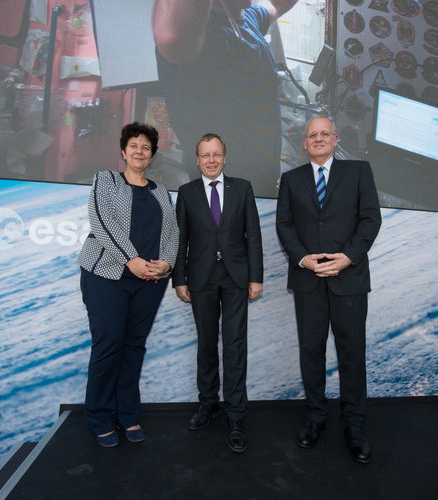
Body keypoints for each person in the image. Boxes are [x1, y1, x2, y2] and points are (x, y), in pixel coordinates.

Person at [275, 116, 381, 463]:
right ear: (304, 143)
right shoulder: (291, 180)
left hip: (348, 280)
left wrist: (347, 258)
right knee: (311, 352)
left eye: (324, 134)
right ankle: (316, 418)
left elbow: (370, 220)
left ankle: (354, 425)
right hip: (308, 281)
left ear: (335, 139)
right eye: (312, 136)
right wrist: (303, 259)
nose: (318, 139)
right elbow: (285, 225)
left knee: (353, 355)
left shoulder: (359, 172)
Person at [78, 122, 179, 448]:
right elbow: (102, 220)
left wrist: (167, 262)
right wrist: (131, 260)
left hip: (149, 282)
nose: (139, 151)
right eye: (134, 145)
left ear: (151, 156)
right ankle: (99, 417)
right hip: (107, 277)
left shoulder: (160, 191)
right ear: (123, 152)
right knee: (108, 347)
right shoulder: (106, 180)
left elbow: (173, 232)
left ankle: (127, 414)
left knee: (134, 347)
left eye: (146, 147)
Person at [173, 133, 263, 453]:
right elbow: (180, 240)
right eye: (205, 155)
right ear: (197, 159)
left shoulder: (243, 188)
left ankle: (236, 415)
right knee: (207, 345)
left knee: (235, 346)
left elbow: (253, 235)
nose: (211, 160)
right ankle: (208, 404)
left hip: (237, 278)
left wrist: (256, 278)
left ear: (225, 157)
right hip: (200, 280)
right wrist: (179, 279)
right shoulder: (186, 193)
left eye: (216, 154)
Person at [153, 0, 298, 199]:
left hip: (262, 186)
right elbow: (172, 36)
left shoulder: (247, 18)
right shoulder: (197, 35)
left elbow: (276, 4)